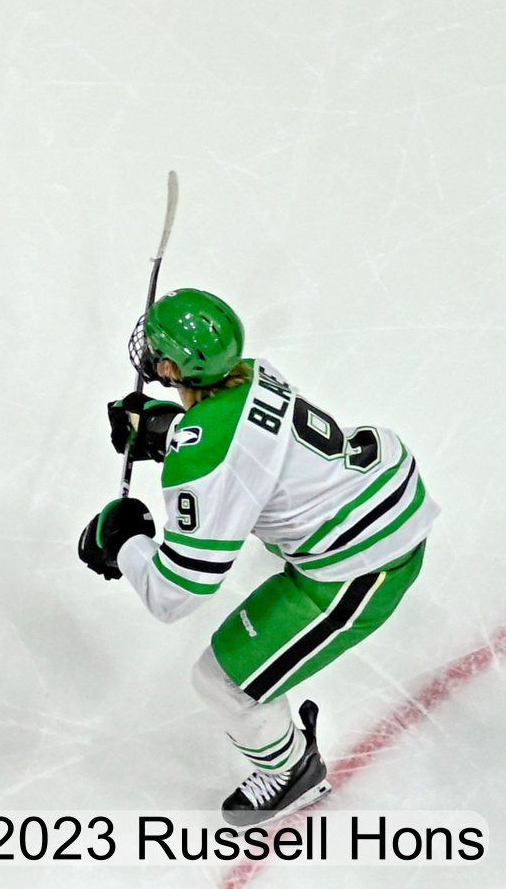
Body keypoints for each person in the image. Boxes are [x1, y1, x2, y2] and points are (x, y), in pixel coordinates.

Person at [78, 288, 439, 825]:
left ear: (173, 368)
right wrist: (167, 431)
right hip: (380, 492)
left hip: (365, 564)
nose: (148, 354)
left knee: (224, 683)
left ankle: (293, 772)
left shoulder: (204, 456)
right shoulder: (253, 373)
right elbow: (247, 441)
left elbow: (176, 592)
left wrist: (123, 540)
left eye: (157, 349)